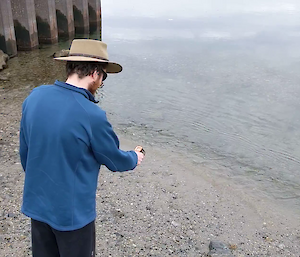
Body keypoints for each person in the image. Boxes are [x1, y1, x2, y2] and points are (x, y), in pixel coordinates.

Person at [19, 39, 145, 257]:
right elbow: (114, 159)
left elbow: (25, 153)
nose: (102, 83)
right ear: (95, 74)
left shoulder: (35, 96)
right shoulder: (92, 114)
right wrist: (134, 157)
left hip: (36, 205)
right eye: (104, 77)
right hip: (72, 216)